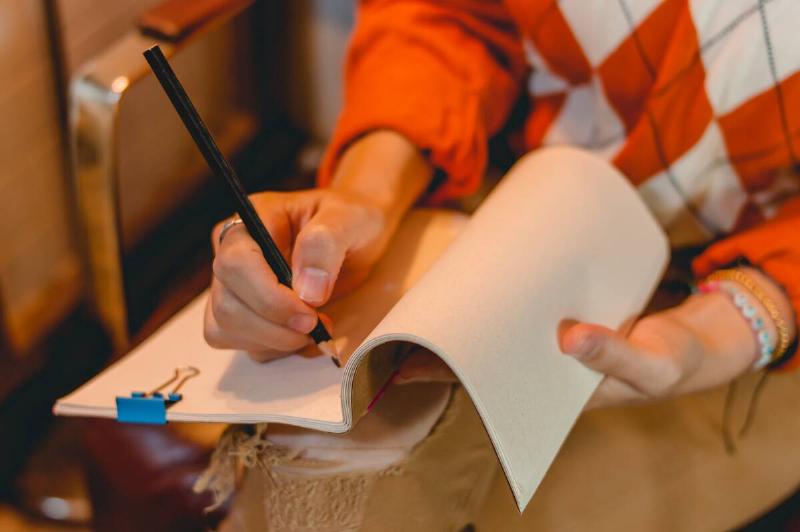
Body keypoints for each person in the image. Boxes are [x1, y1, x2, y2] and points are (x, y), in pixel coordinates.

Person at [201, 1, 800, 529]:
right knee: (330, 473)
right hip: (487, 206)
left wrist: (732, 323)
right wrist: (369, 190)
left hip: (724, 315)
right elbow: (450, 15)